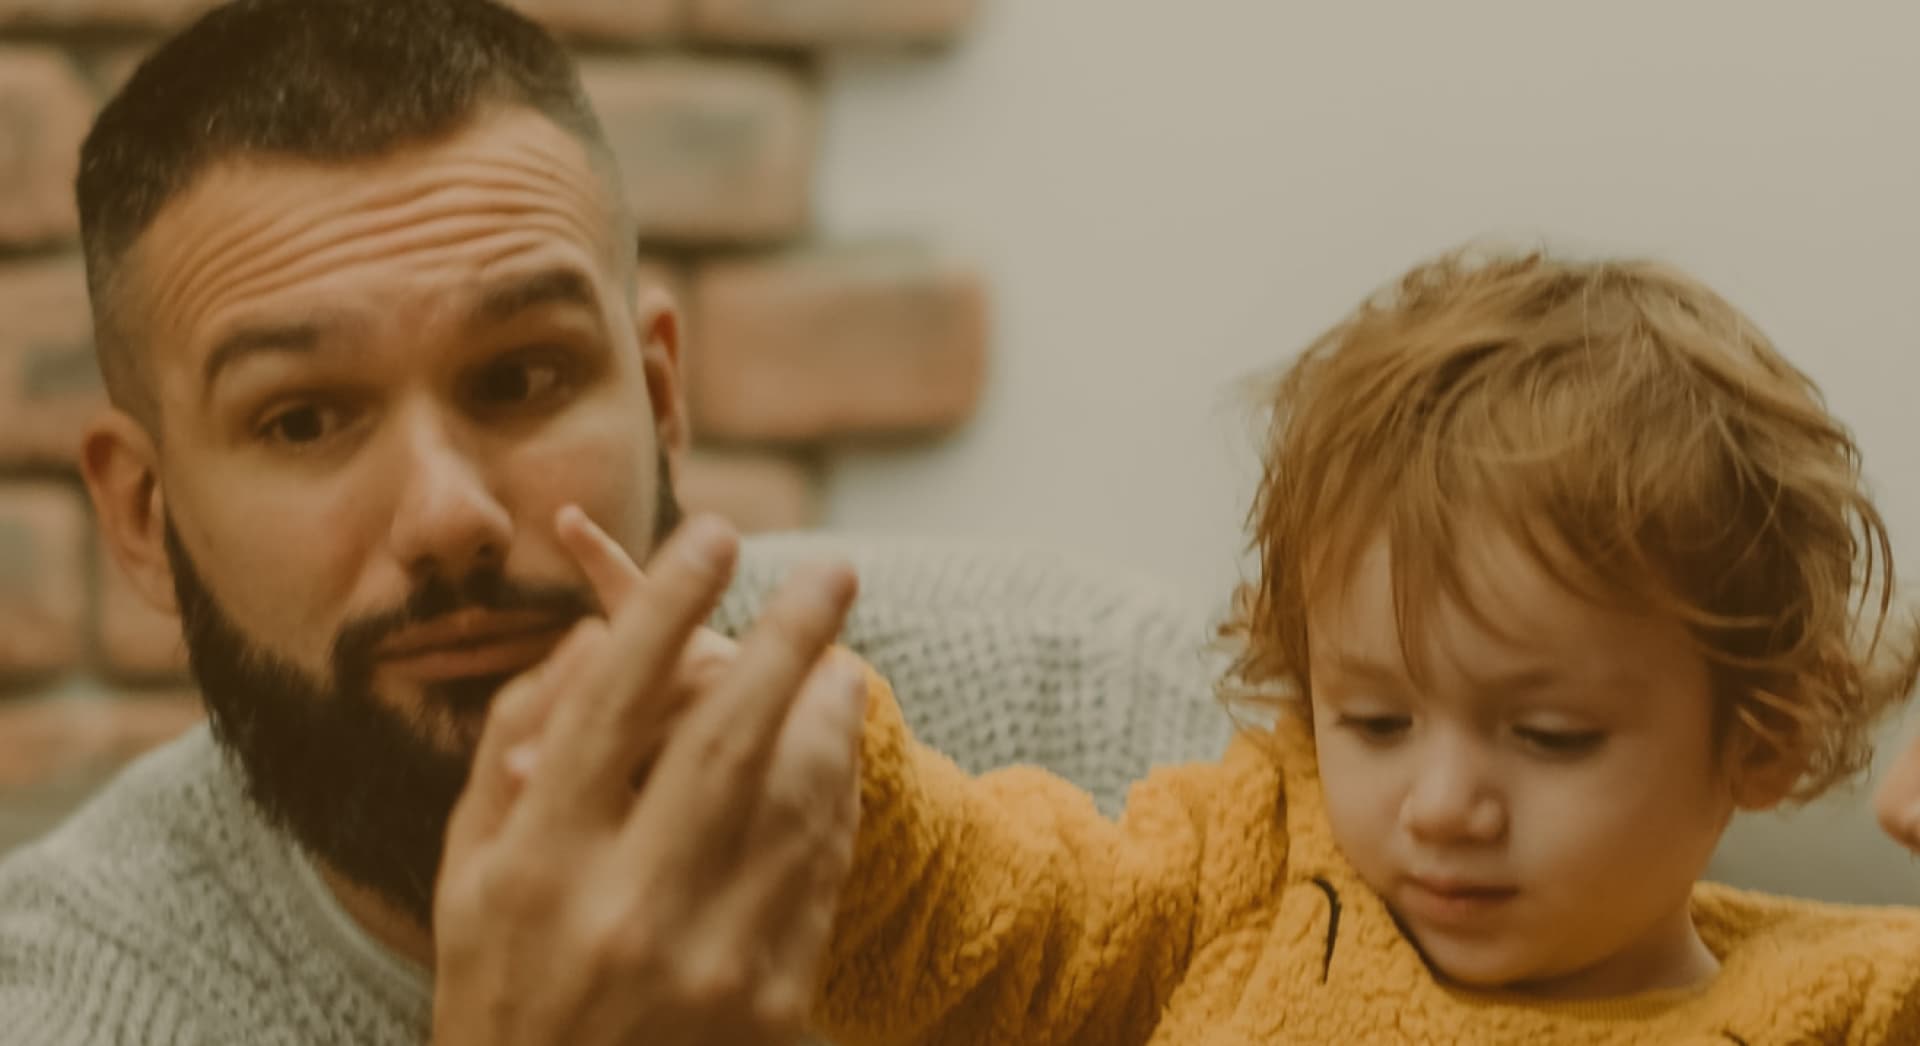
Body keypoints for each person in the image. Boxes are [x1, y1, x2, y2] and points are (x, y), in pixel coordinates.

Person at [0, 1, 1229, 1043]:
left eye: (523, 376)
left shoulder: (1103, 729)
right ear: (145, 513)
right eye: (306, 418)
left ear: (657, 401)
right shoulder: (69, 1001)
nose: (449, 516)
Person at [779, 250, 1920, 1043]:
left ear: (1763, 734)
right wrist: (820, 781)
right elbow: (997, 912)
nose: (1440, 804)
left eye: (1549, 735)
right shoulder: (1253, 867)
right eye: (1375, 721)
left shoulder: (1846, 1007)